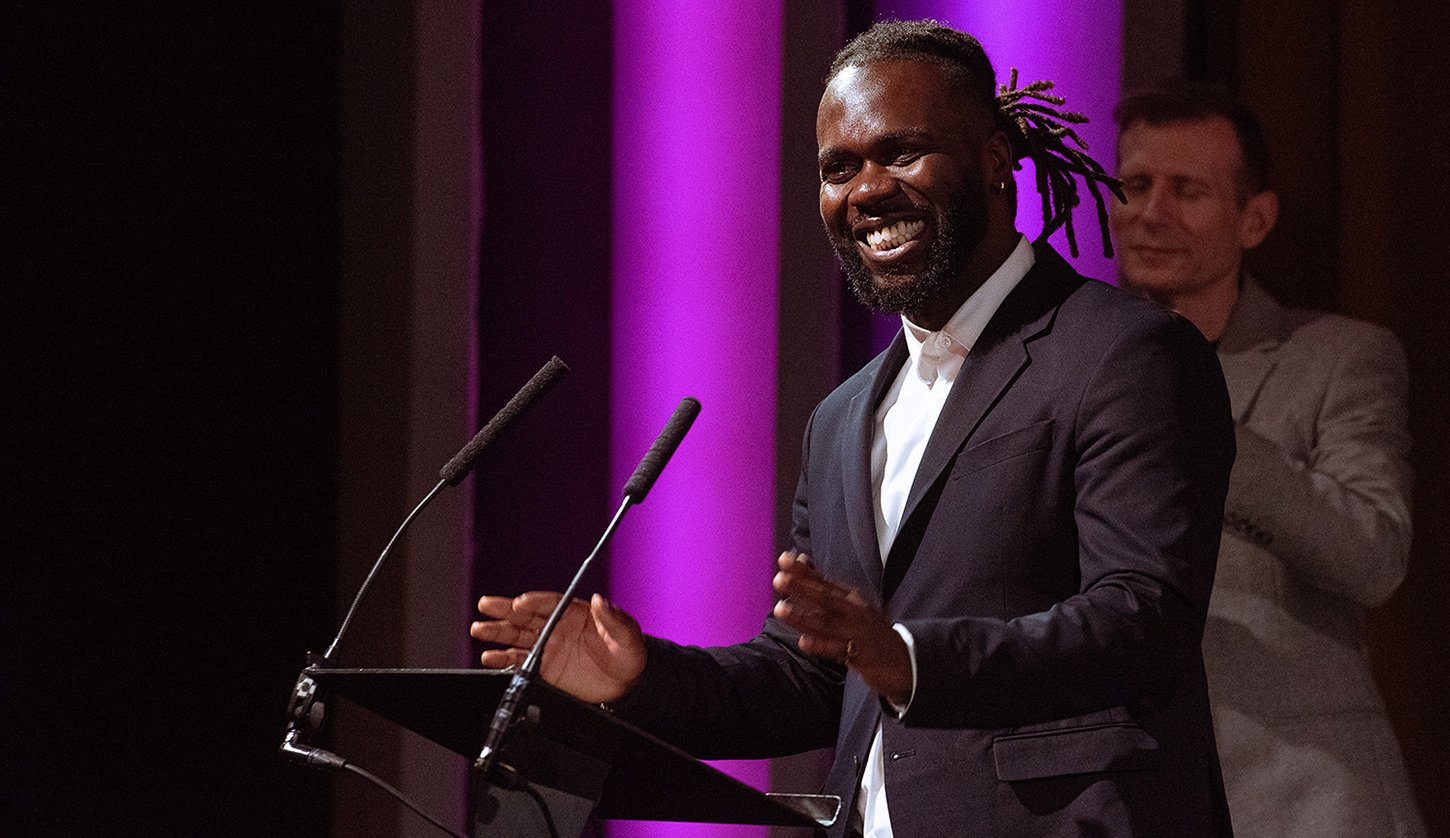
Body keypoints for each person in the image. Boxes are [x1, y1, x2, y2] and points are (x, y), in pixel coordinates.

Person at [474, 21, 1236, 837]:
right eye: (839, 169)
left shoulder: (1124, 353)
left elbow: (1141, 620)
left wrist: (906, 658)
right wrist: (639, 679)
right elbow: (810, 680)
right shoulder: (842, 419)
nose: (866, 191)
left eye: (901, 153)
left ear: (994, 159)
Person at [1109, 79, 1425, 838]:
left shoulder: (1340, 357)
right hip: (1126, 795)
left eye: (1187, 190)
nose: (1151, 212)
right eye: (1135, 185)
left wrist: (1209, 436)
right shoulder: (1072, 371)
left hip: (1299, 799)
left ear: (1255, 219)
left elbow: (1374, 555)